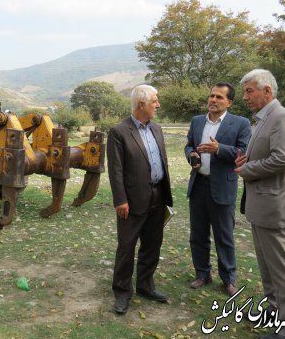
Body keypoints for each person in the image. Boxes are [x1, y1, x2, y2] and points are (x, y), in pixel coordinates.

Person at [235, 69, 285, 339]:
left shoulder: (281, 117)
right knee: (268, 268)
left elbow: (283, 158)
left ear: (267, 91)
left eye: (250, 91)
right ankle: (278, 317)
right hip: (261, 207)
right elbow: (267, 154)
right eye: (244, 92)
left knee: (283, 270)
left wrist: (249, 169)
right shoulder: (262, 119)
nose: (245, 97)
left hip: (274, 207)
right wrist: (247, 162)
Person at [107, 84, 173, 314]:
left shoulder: (157, 129)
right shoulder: (119, 131)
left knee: (152, 244)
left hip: (158, 194)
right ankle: (122, 292)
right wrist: (120, 200)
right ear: (142, 104)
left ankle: (146, 285)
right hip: (131, 200)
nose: (158, 104)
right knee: (127, 246)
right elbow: (115, 170)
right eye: (155, 100)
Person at [185, 83, 251, 296]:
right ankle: (202, 273)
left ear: (229, 102)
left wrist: (219, 149)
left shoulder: (240, 123)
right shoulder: (197, 121)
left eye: (219, 97)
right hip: (199, 185)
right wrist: (191, 156)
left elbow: (244, 152)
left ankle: (228, 279)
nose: (213, 100)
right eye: (211, 96)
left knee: (224, 236)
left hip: (222, 186)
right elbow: (189, 145)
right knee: (198, 234)